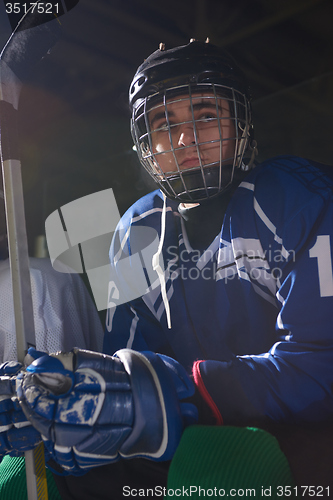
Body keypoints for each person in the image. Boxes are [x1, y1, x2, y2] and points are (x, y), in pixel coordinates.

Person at [1, 39, 333, 499]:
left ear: (241, 124)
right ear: (144, 141)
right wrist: (77, 403)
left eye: (205, 115)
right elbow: (132, 364)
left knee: (218, 470)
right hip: (192, 427)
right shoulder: (136, 227)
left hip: (300, 435)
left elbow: (322, 366)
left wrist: (184, 392)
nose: (185, 139)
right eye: (164, 123)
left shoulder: (302, 197)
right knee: (28, 474)